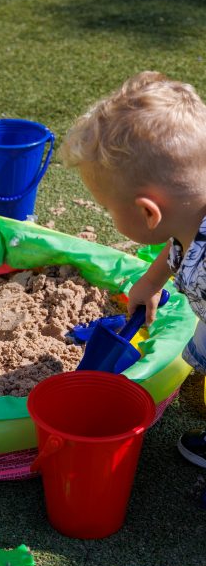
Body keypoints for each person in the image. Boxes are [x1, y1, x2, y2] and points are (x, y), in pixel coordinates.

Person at [60, 70, 206, 468]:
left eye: (110, 210)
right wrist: (151, 281)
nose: (110, 216)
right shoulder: (191, 217)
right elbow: (179, 242)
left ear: (147, 212)